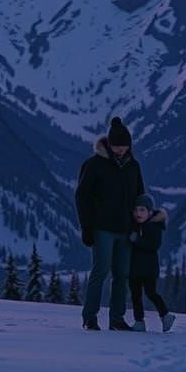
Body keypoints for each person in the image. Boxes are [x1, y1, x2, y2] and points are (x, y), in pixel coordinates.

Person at [75, 116, 143, 331]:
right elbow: (82, 196)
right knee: (100, 271)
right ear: (109, 144)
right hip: (102, 228)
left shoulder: (133, 166)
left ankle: (117, 318)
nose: (120, 151)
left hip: (125, 229)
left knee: (122, 275)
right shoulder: (95, 164)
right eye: (116, 146)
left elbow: (140, 196)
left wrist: (138, 225)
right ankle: (90, 317)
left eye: (124, 147)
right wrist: (86, 227)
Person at [129, 194, 176, 333]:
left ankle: (166, 315)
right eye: (136, 210)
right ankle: (139, 322)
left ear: (150, 212)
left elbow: (153, 245)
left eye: (142, 210)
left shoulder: (154, 226)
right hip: (134, 268)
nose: (138, 213)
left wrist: (136, 240)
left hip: (149, 269)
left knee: (151, 292)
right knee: (135, 295)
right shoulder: (136, 226)